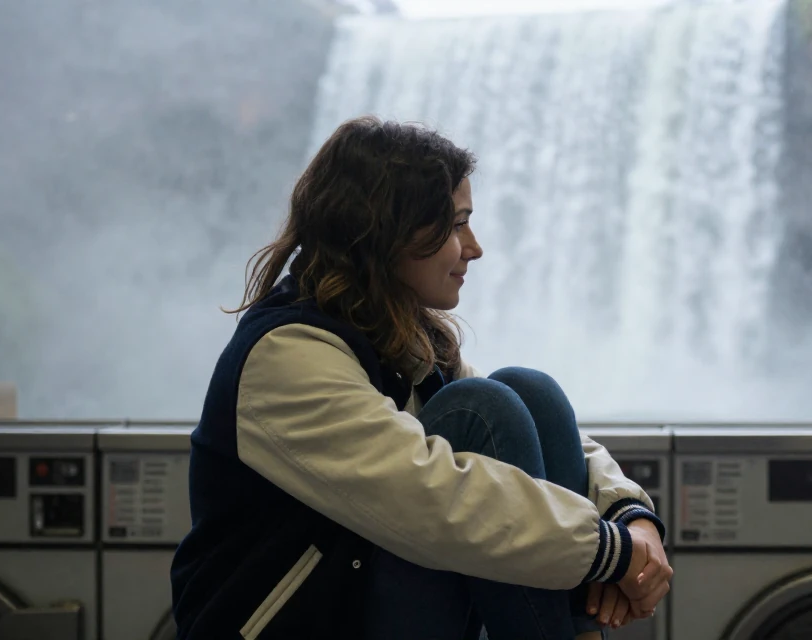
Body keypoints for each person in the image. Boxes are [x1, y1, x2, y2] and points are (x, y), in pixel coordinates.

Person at [170, 116, 671, 639]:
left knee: (528, 392)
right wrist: (609, 552)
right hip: (301, 625)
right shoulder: (288, 354)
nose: (474, 247)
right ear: (388, 229)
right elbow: (432, 500)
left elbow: (558, 441)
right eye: (457, 224)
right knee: (483, 408)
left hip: (370, 607)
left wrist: (630, 516)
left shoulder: (403, 337)